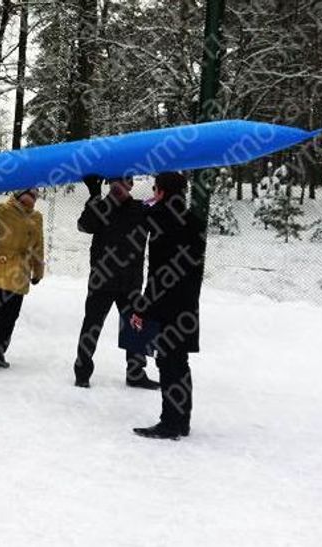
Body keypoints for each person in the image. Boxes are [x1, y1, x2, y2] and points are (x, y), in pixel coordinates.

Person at [131, 172, 204, 440]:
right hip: (187, 304)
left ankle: (170, 423)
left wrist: (142, 308)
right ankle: (181, 420)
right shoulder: (192, 220)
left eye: (154, 188)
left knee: (169, 363)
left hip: (166, 304)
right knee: (179, 363)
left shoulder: (160, 219)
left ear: (160, 191)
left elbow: (157, 272)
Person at [72, 175, 158, 389]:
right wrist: (93, 195)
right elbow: (84, 225)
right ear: (110, 183)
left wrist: (163, 188)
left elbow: (165, 219)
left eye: (125, 181)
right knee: (92, 324)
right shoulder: (101, 207)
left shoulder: (141, 209)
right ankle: (82, 372)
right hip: (102, 279)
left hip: (130, 281)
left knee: (137, 324)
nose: (120, 185)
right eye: (116, 181)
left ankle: (136, 372)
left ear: (130, 185)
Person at [0, 189, 44, 369]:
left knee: (11, 314)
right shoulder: (3, 210)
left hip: (21, 273)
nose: (32, 197)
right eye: (28, 193)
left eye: (35, 195)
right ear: (19, 194)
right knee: (1, 313)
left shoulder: (37, 217)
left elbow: (38, 246)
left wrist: (38, 271)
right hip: (0, 267)